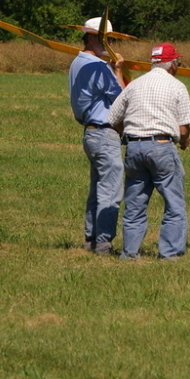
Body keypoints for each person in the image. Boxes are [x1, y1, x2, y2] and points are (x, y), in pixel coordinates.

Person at [107, 43, 190, 260]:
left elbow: (112, 119)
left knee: (135, 204)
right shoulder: (177, 86)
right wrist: (183, 142)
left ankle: (129, 253)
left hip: (134, 148)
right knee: (174, 203)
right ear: (172, 64)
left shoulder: (135, 86)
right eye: (178, 62)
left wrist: (127, 132)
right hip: (162, 147)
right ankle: (170, 253)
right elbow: (183, 129)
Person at [68, 16, 127, 255]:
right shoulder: (99, 67)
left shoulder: (77, 62)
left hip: (90, 134)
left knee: (97, 190)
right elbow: (123, 99)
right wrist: (119, 71)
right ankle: (103, 244)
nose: (109, 44)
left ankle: (91, 239)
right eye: (106, 39)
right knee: (111, 191)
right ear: (92, 37)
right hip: (104, 134)